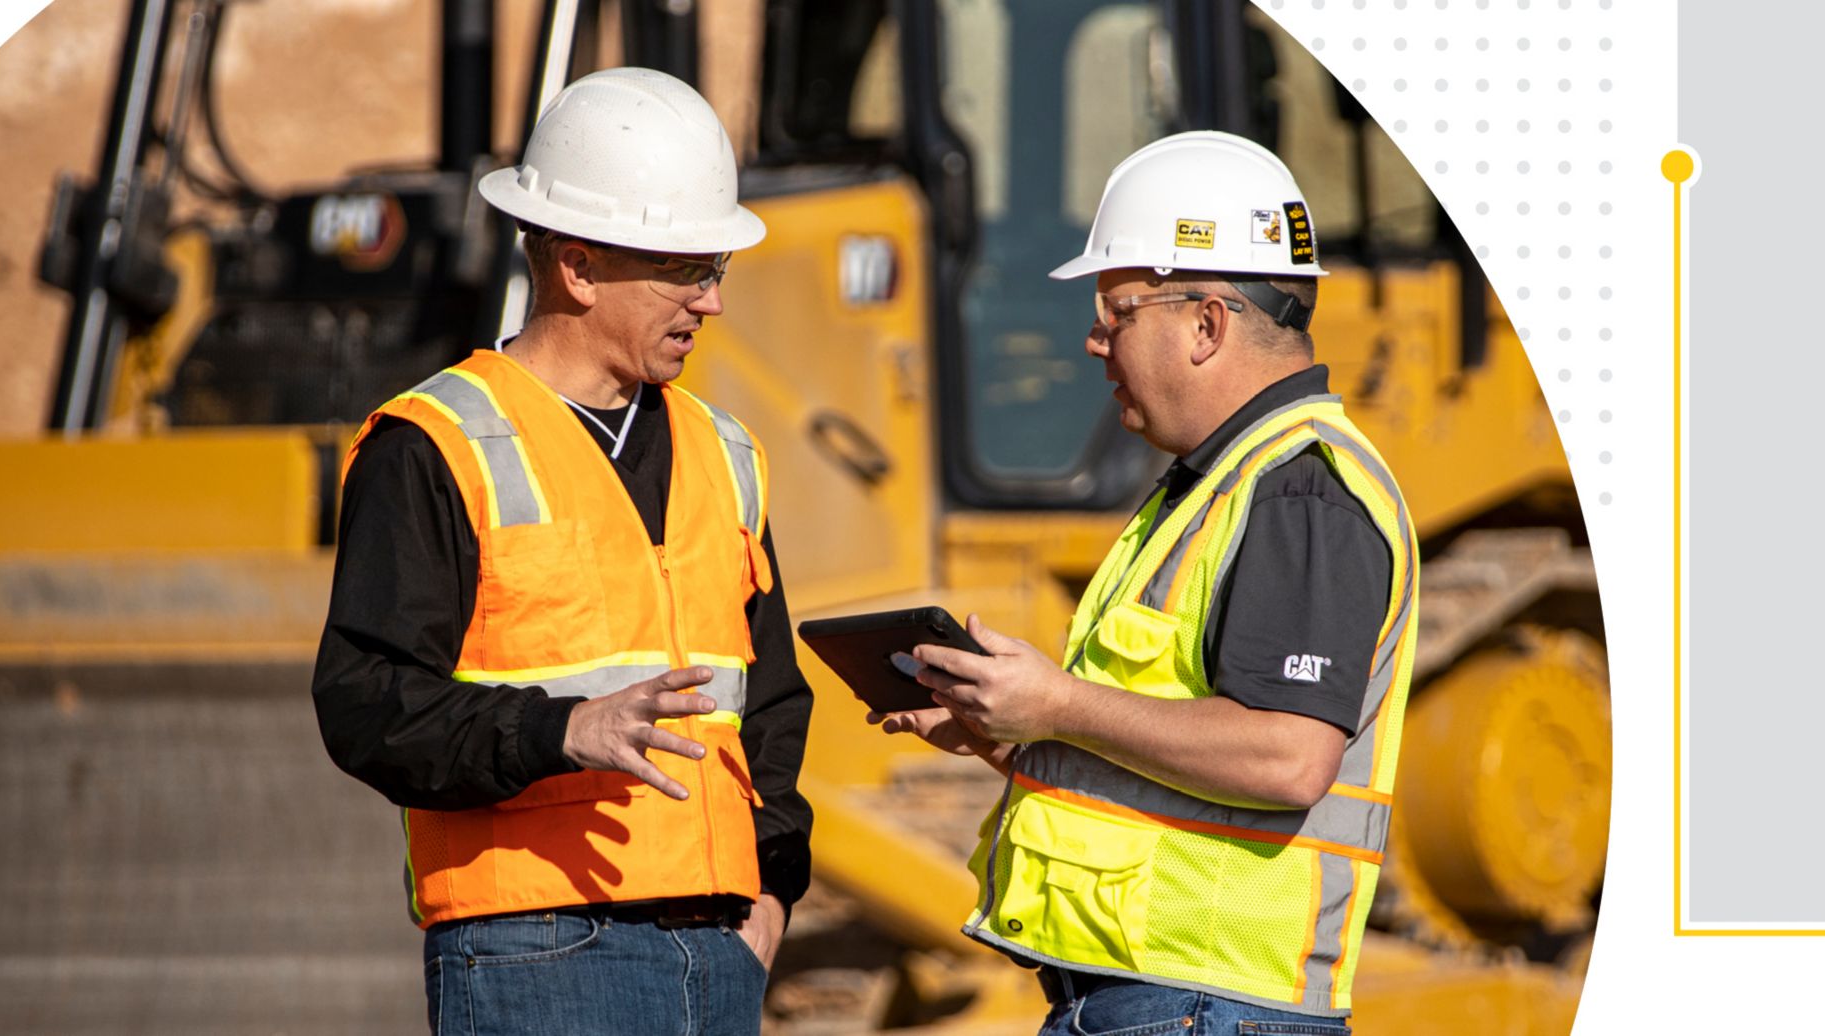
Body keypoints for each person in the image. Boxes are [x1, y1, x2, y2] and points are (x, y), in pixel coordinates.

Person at [873, 131, 1417, 1036]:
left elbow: (1286, 757)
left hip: (1207, 1002)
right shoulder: (1212, 487)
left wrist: (1056, 704)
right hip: (1165, 1000)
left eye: (1116, 311)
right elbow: (1167, 766)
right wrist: (1010, 733)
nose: (1092, 342)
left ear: (1206, 323)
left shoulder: (1298, 491)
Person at [311, 67, 811, 1035]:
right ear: (576, 267)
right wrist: (560, 732)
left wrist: (772, 891)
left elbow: (773, 701)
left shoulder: (727, 453)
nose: (708, 302)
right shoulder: (436, 444)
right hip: (535, 953)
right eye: (682, 270)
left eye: (715, 269)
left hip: (719, 953)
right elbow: (364, 700)